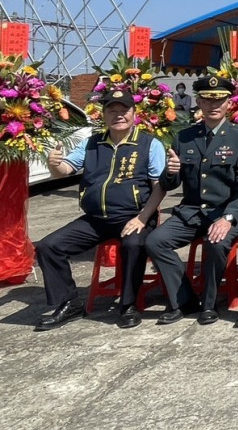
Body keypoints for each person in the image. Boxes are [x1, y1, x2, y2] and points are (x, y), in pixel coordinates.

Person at [33, 89, 166, 331]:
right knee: (48, 246)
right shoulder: (91, 143)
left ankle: (128, 305)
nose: (118, 115)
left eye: (123, 110)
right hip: (96, 219)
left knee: (133, 245)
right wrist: (54, 164)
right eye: (112, 110)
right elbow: (65, 170)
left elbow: (159, 187)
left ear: (134, 113)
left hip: (134, 216)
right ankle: (69, 303)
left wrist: (143, 217)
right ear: (103, 114)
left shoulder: (150, 144)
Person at [145, 75, 238, 325]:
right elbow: (171, 184)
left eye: (219, 100)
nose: (213, 105)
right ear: (199, 102)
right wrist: (170, 171)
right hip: (192, 211)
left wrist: (227, 218)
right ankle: (184, 300)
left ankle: (209, 304)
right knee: (155, 241)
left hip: (227, 210)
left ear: (229, 103)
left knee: (215, 243)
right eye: (207, 100)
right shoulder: (184, 137)